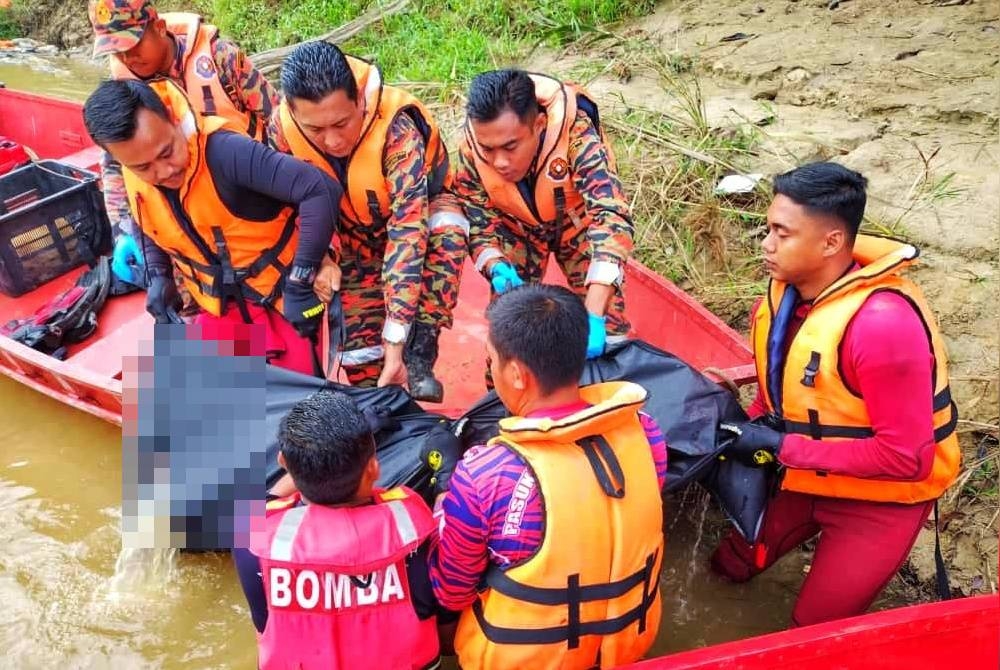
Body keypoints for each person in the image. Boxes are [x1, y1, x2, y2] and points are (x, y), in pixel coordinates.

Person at [711, 162, 961, 627]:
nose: (765, 245)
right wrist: (751, 429)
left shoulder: (882, 327)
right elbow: (777, 391)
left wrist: (781, 449)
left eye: (781, 234)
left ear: (830, 242)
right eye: (768, 229)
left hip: (880, 501)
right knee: (728, 564)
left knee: (813, 629)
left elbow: (908, 459)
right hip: (805, 475)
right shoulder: (785, 295)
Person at [423, 284, 667, 669]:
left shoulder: (486, 473)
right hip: (626, 646)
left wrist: (444, 497)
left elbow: (451, 591)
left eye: (492, 361)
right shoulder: (646, 431)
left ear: (517, 374)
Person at [82, 78, 340, 376]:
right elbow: (151, 220)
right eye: (143, 167)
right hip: (222, 308)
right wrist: (159, 276)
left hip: (284, 303)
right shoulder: (133, 173)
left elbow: (320, 189)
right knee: (186, 411)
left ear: (173, 119)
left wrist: (301, 278)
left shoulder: (226, 153)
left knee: (304, 411)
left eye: (167, 152)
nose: (164, 171)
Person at [269, 42, 469, 402]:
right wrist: (322, 257)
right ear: (294, 114)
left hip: (411, 223)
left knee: (448, 230)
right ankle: (379, 390)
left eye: (342, 123)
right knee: (366, 370)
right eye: (315, 129)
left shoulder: (398, 131)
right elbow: (286, 206)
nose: (332, 141)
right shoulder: (281, 132)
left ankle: (420, 352)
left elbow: (408, 233)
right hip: (345, 233)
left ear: (360, 100)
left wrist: (396, 334)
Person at [238, 389, 451, 669]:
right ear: (374, 468)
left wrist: (314, 456)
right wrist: (447, 477)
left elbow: (268, 502)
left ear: (283, 463)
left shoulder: (253, 539)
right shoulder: (411, 520)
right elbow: (450, 539)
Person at [88, 0, 279, 301]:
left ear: (159, 28)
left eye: (134, 46)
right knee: (198, 321)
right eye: (117, 51)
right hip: (187, 228)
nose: (128, 58)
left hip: (250, 208)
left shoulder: (219, 59)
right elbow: (115, 165)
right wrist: (122, 227)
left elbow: (277, 120)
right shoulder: (125, 86)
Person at [455, 69, 634, 367]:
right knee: (508, 335)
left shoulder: (575, 133)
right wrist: (494, 264)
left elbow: (611, 214)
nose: (499, 162)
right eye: (489, 149)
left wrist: (594, 311)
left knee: (611, 333)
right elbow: (478, 224)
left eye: (511, 147)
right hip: (516, 229)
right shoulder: (471, 151)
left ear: (539, 124)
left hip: (577, 226)